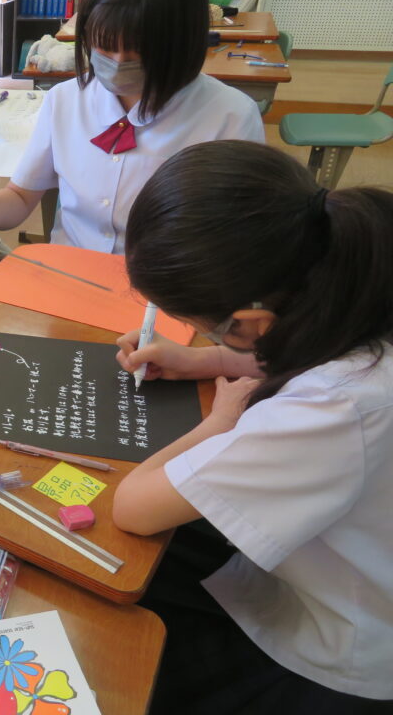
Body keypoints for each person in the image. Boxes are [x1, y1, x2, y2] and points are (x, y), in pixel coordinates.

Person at [114, 139, 393, 713]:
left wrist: (218, 423)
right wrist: (210, 358)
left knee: (120, 659)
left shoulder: (331, 411)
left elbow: (132, 507)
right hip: (315, 568)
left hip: (334, 647)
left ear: (251, 323)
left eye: (199, 326)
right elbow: (319, 349)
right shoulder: (359, 286)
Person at [0, 0, 264, 258]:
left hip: (165, 283)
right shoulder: (65, 101)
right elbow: (21, 197)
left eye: (138, 49)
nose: (117, 61)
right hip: (70, 273)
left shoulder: (230, 119)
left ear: (183, 40)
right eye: (104, 44)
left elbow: (238, 243)